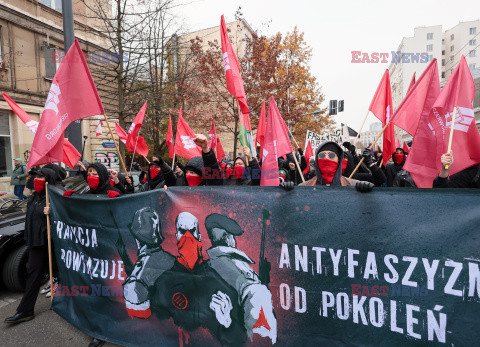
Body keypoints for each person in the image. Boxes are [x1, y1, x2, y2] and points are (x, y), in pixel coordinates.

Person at [150, 212, 246, 345]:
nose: (187, 237)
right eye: (182, 231)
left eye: (192, 231)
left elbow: (239, 340)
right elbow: (153, 328)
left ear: (199, 237)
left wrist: (227, 323)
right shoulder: (164, 283)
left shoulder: (218, 284)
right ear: (177, 236)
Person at [205, 213, 277, 343]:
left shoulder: (208, 265)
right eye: (232, 236)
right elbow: (256, 296)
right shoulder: (239, 268)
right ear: (228, 238)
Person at [4, 167, 61, 324]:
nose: (36, 180)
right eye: (35, 177)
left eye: (40, 177)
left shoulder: (55, 197)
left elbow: (65, 220)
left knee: (59, 273)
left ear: (48, 180)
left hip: (51, 244)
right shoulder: (34, 197)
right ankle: (25, 311)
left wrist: (53, 213)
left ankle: (64, 303)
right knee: (33, 275)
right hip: (36, 244)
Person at [300, 141, 374, 192]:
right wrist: (290, 193)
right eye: (322, 155)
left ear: (338, 160)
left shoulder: (353, 185)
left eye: (331, 155)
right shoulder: (303, 187)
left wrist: (366, 190)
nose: (326, 158)